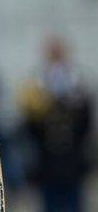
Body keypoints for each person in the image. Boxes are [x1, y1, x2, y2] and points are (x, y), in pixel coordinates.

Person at [20, 36, 94, 212]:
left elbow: (85, 122)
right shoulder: (37, 84)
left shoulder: (76, 82)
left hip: (72, 160)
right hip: (47, 160)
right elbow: (30, 125)